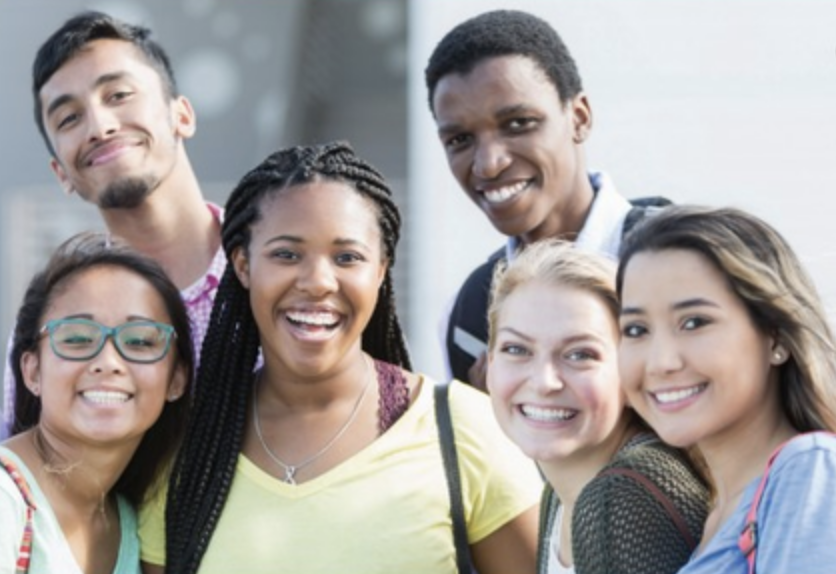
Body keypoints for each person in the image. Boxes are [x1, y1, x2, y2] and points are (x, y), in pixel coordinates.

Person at [138, 141, 542, 574]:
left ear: (382, 270)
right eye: (286, 255)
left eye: (347, 257)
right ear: (243, 265)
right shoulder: (185, 457)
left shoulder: (464, 431)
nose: (317, 282)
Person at [2, 10, 223, 438]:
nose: (100, 127)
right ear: (60, 172)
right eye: (69, 119)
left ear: (182, 116)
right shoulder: (50, 322)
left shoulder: (275, 272)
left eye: (119, 95)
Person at [424, 9, 670, 388]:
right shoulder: (468, 318)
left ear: (579, 117)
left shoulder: (684, 262)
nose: (488, 164)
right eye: (460, 140)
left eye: (518, 123)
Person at [617, 205, 836, 572]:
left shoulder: (809, 470)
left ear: (775, 336)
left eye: (694, 322)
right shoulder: (718, 513)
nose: (660, 362)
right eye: (636, 329)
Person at [485, 239, 708, 574]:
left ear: (633, 373)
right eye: (516, 349)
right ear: (489, 363)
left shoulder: (625, 495)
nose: (545, 382)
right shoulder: (558, 494)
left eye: (580, 355)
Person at [0, 232, 192, 573]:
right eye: (76, 338)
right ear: (32, 372)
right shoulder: (7, 501)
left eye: (140, 341)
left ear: (176, 380)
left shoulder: (133, 524)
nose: (108, 361)